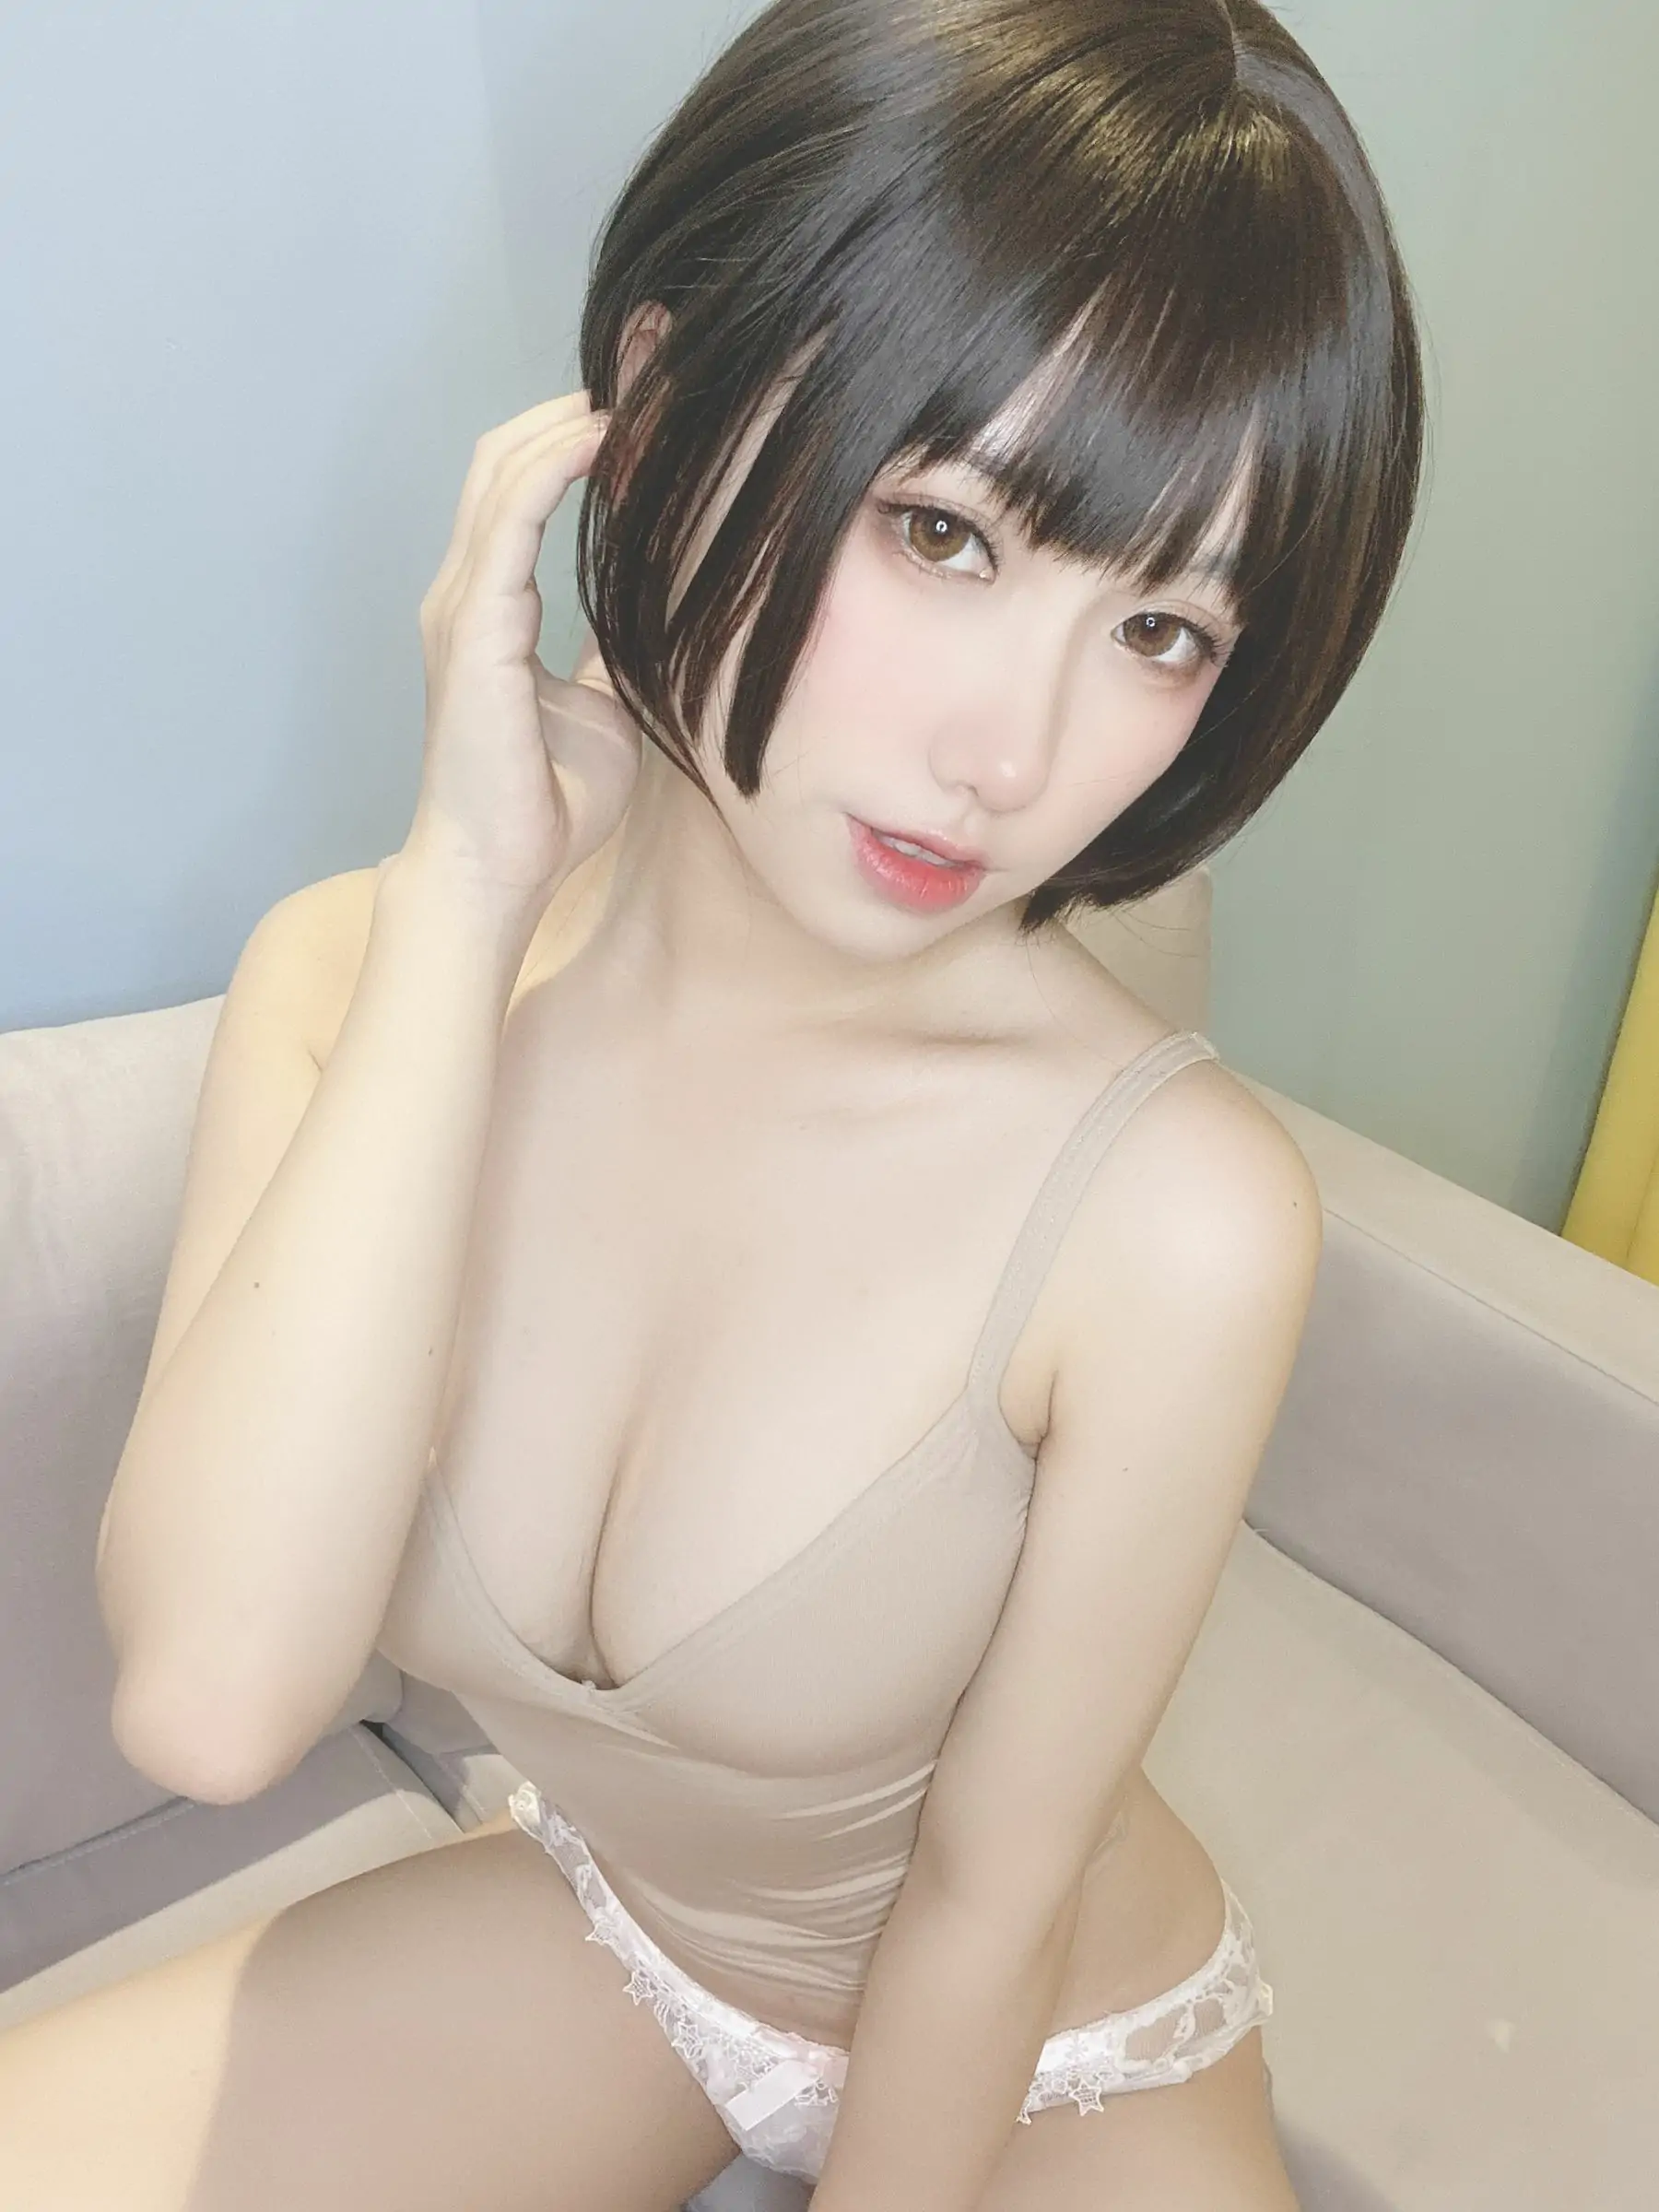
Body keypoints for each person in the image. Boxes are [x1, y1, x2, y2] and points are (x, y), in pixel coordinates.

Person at [0, 0, 1424, 2205]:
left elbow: (985, 1908)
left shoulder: (1177, 1214)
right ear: (655, 417)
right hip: (633, 1941)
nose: (1013, 755)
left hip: (1066, 2052)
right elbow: (212, 1697)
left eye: (1162, 632)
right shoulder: (357, 987)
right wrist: (465, 897)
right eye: (945, 532)